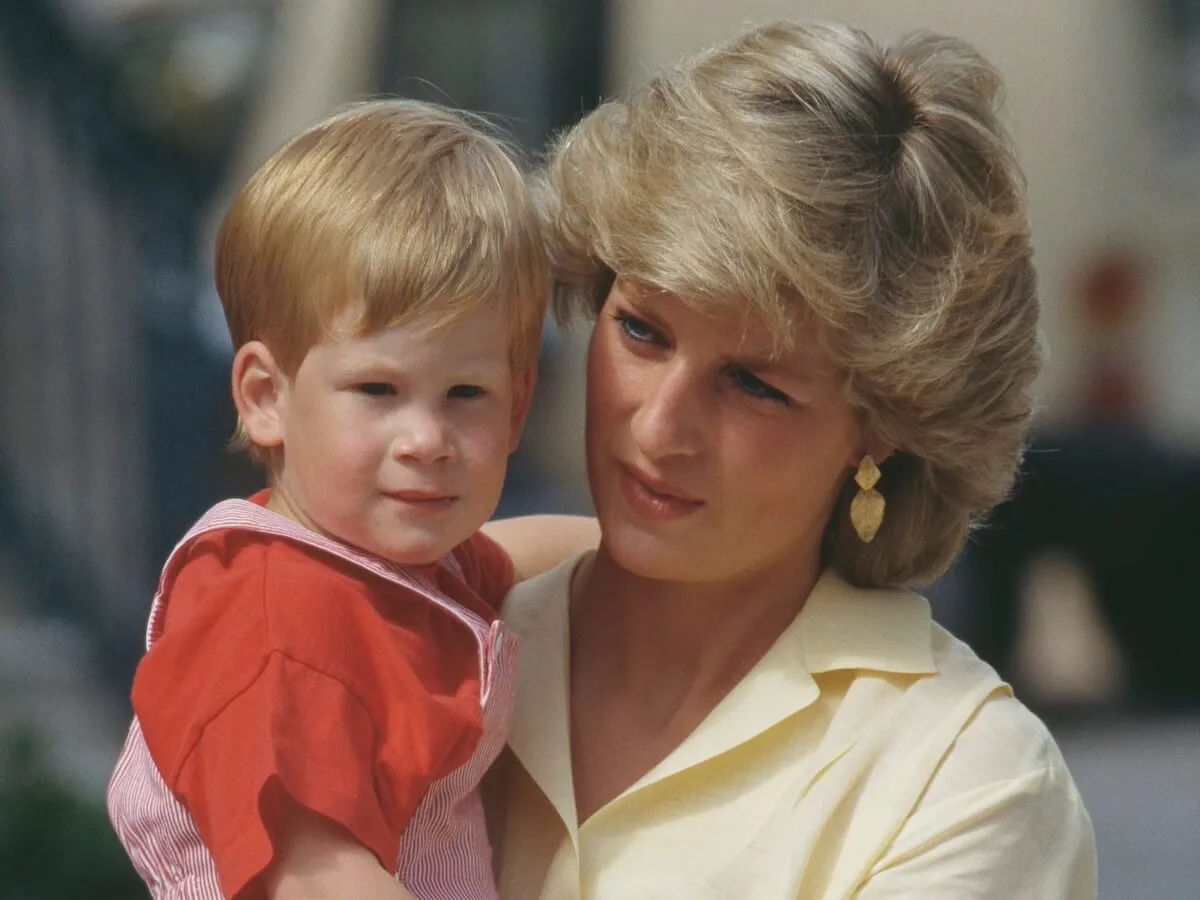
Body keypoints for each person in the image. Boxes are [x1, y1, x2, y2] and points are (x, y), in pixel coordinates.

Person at [481, 21, 1097, 899]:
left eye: (753, 384)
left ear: (883, 425)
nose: (658, 427)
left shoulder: (961, 781)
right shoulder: (442, 624)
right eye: (642, 330)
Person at [105, 99, 583, 900]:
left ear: (518, 407)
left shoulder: (400, 566)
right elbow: (317, 876)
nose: (425, 437)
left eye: (466, 393)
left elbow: (522, 551)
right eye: (378, 389)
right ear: (265, 396)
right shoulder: (274, 620)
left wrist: (703, 565)